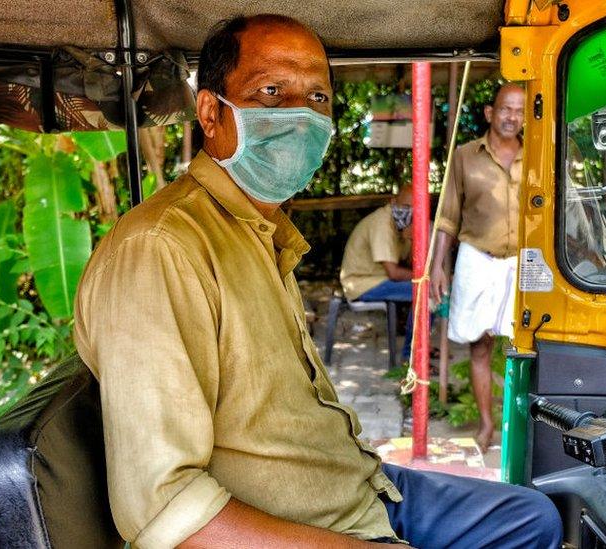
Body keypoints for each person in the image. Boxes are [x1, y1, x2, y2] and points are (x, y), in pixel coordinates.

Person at [74, 15, 561, 548]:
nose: (300, 115)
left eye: (318, 98)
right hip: (307, 525)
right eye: (272, 91)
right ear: (211, 112)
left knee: (535, 517)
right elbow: (166, 508)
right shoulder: (162, 249)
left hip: (356, 488)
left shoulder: (260, 231)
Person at [431, 83, 525, 453]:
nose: (511, 117)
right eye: (505, 109)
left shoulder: (536, 155)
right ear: (490, 112)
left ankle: (518, 423)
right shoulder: (466, 156)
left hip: (522, 261)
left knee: (525, 344)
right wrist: (440, 265)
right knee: (480, 345)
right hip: (476, 256)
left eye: (518, 111)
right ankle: (487, 425)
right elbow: (448, 215)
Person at [339, 185, 414, 360]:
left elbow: (408, 264)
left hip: (377, 279)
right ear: (393, 202)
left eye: (414, 208)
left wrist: (412, 239)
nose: (409, 212)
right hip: (361, 283)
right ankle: (412, 355)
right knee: (425, 293)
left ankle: (418, 348)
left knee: (425, 289)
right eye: (405, 206)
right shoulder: (382, 223)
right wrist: (427, 278)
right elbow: (395, 273)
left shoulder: (402, 225)